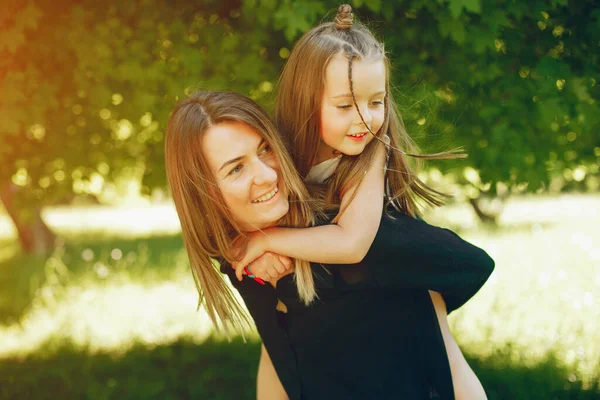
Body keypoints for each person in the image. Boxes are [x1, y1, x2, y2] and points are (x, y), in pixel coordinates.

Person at [165, 90, 494, 399]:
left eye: (265, 148)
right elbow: (277, 351)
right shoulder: (241, 259)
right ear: (204, 194)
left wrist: (376, 149)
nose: (266, 174)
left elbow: (468, 267)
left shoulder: (350, 234)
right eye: (236, 168)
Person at [231, 5, 489, 399]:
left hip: (395, 277)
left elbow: (352, 243)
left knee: (437, 349)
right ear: (305, 100)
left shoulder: (370, 155)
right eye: (345, 105)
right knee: (279, 333)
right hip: (327, 328)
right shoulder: (278, 160)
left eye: (376, 101)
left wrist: (267, 240)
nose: (366, 120)